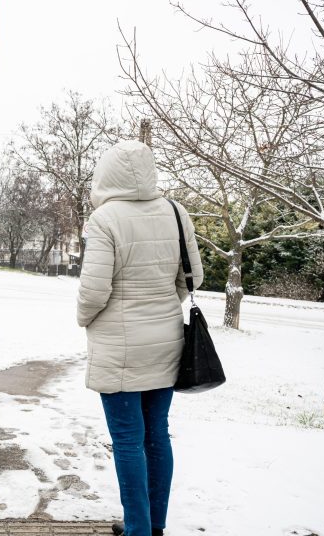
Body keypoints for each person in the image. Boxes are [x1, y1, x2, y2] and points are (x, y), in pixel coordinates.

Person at [76, 140, 203, 536]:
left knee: (128, 439)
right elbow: (192, 278)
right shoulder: (175, 212)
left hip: (118, 348)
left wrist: (85, 318)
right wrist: (165, 304)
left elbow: (94, 292)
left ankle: (137, 529)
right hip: (166, 342)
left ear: (106, 174)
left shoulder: (105, 219)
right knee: (157, 434)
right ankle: (154, 526)